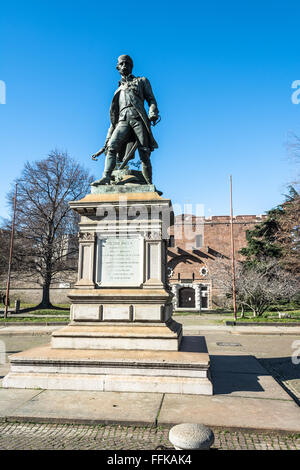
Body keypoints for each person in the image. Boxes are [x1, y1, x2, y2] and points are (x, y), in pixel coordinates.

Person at [91, 55, 160, 185]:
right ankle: (106, 177)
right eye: (122, 64)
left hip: (138, 118)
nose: (124, 66)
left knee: (144, 152)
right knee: (111, 147)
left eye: (127, 64)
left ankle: (149, 184)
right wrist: (107, 140)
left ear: (131, 66)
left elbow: (151, 99)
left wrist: (153, 113)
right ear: (118, 67)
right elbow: (113, 119)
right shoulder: (118, 90)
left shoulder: (141, 81)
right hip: (122, 120)